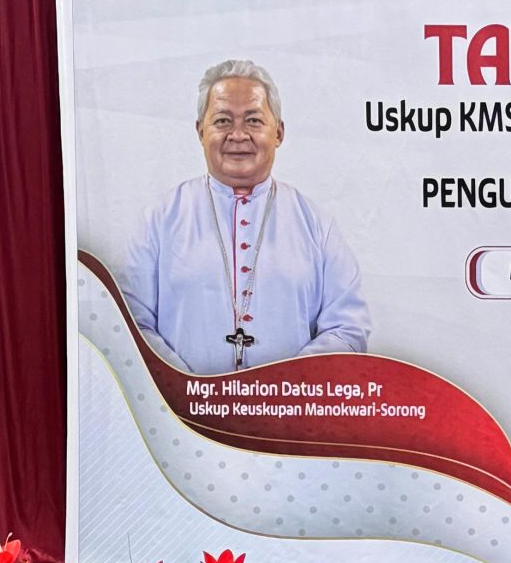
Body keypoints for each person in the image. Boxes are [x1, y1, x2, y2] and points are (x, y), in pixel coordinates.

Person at [120, 59, 371, 374]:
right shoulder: (159, 220)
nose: (238, 135)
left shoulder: (317, 225)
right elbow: (131, 324)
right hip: (179, 402)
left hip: (288, 402)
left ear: (278, 132)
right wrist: (187, 387)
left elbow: (348, 328)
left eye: (253, 121)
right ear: (200, 131)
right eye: (222, 121)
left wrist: (283, 386)